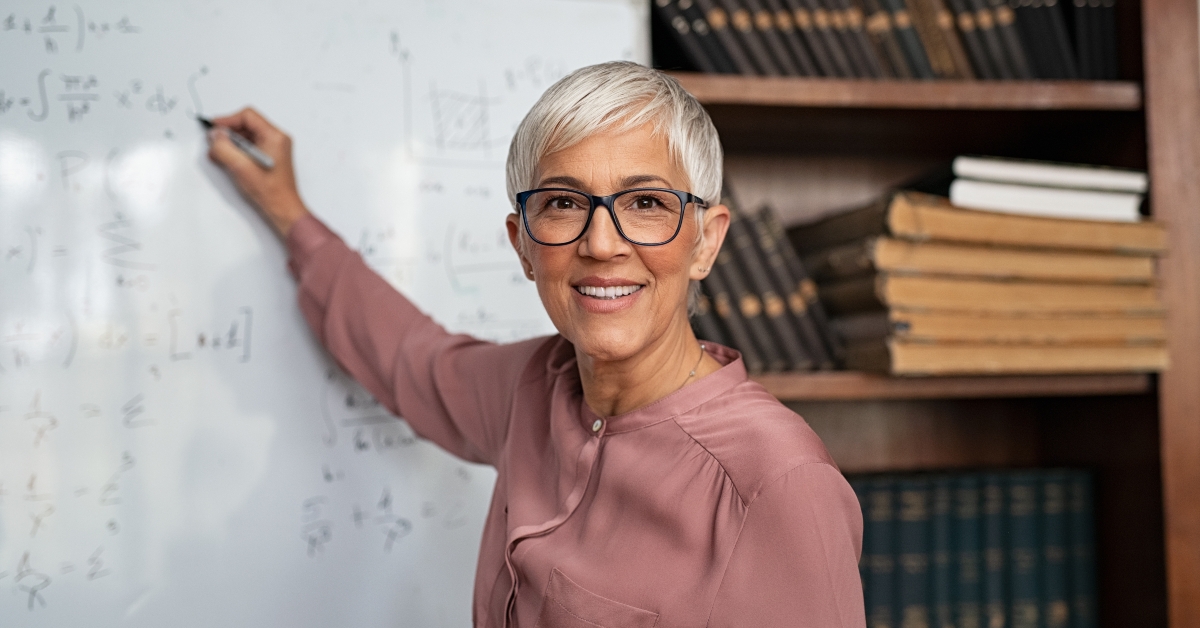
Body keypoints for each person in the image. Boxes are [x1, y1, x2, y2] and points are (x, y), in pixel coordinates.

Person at [206, 61, 864, 628]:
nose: (601, 244)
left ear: (706, 242)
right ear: (522, 244)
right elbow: (409, 357)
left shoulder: (778, 484)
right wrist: (289, 211)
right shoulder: (530, 386)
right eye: (562, 204)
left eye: (645, 203)